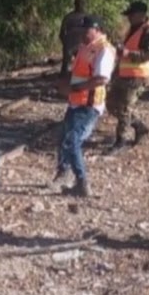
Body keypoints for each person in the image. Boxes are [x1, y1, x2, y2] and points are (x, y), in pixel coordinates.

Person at [50, 15, 116, 198]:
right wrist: (65, 84)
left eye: (86, 30)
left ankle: (82, 183)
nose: (82, 34)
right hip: (77, 101)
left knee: (72, 140)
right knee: (64, 137)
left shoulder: (103, 50)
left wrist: (73, 88)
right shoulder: (85, 47)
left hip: (89, 104)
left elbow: (101, 79)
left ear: (97, 30)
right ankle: (64, 173)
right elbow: (79, 73)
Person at [105, 0, 149, 154]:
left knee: (124, 107)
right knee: (111, 104)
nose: (129, 17)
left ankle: (121, 141)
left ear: (142, 15)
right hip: (124, 73)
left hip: (138, 75)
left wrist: (129, 54)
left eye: (131, 14)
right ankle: (140, 127)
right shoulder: (134, 28)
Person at [58, 0, 88, 76]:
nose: (80, 5)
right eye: (78, 3)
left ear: (85, 4)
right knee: (65, 68)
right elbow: (61, 33)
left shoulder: (88, 17)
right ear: (75, 4)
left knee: (84, 67)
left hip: (83, 45)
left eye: (82, 3)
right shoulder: (68, 17)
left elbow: (93, 32)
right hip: (70, 44)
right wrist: (65, 44)